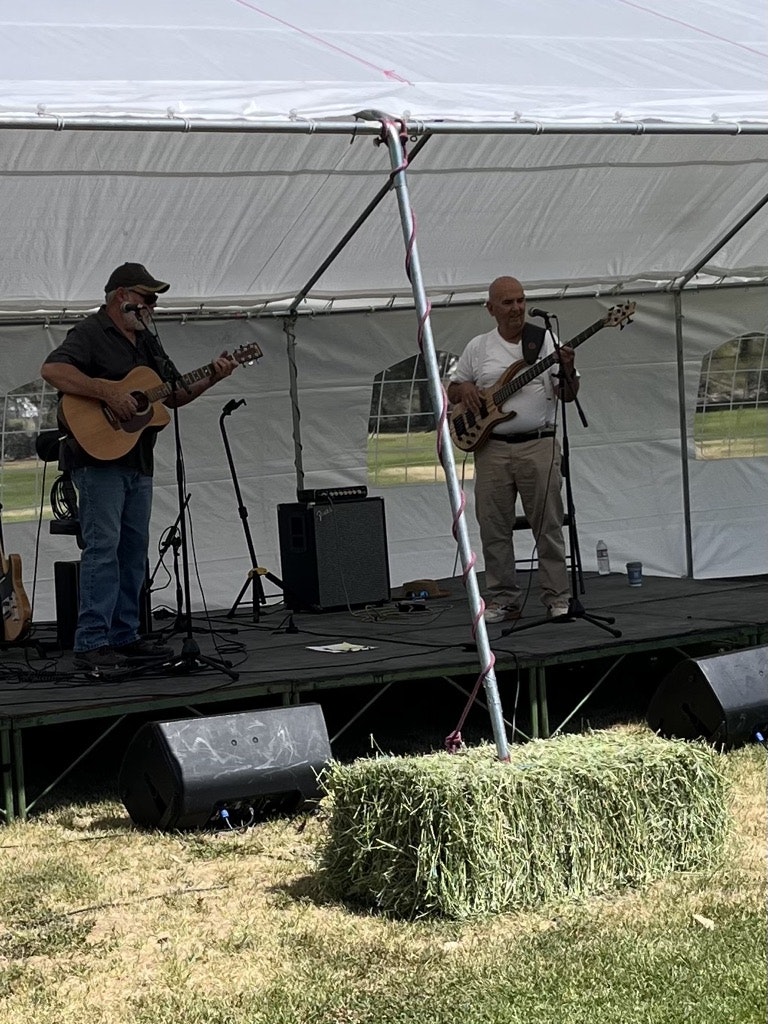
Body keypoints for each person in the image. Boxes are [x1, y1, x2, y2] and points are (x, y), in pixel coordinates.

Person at [41, 262, 237, 670]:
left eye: (154, 300)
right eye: (146, 298)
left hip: (138, 460)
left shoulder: (148, 344)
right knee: (103, 550)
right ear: (121, 297)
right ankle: (91, 641)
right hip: (97, 461)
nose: (152, 306)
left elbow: (175, 395)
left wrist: (214, 377)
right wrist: (108, 392)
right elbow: (53, 370)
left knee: (134, 551)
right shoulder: (91, 333)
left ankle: (125, 635)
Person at [447, 276, 579, 623]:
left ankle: (557, 597)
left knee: (547, 525)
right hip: (492, 448)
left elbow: (568, 394)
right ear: (491, 308)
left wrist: (567, 369)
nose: (517, 308)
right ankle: (503, 599)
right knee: (493, 527)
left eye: (520, 300)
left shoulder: (545, 340)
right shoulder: (479, 347)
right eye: (507, 302)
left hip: (539, 444)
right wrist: (466, 392)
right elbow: (453, 388)